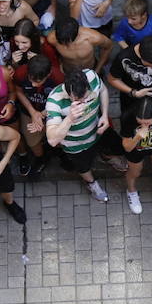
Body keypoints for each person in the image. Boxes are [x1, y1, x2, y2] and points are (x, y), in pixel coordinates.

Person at [45, 67, 113, 203]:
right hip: (76, 145)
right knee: (83, 166)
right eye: (78, 99)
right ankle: (92, 183)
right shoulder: (54, 101)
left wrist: (104, 114)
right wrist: (70, 118)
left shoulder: (92, 76)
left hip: (96, 130)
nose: (84, 102)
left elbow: (103, 90)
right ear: (68, 92)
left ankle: (108, 158)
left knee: (108, 147)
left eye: (86, 97)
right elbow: (52, 140)